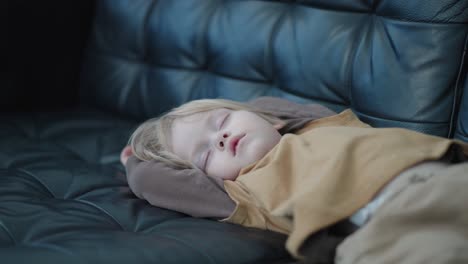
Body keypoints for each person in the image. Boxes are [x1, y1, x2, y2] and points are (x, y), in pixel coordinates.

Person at [121, 97, 468, 262]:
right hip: (380, 228)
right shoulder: (240, 192)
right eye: (206, 155)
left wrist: (260, 118)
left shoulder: (321, 124)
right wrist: (137, 161)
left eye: (222, 121)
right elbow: (157, 182)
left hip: (438, 174)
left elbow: (269, 106)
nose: (222, 139)